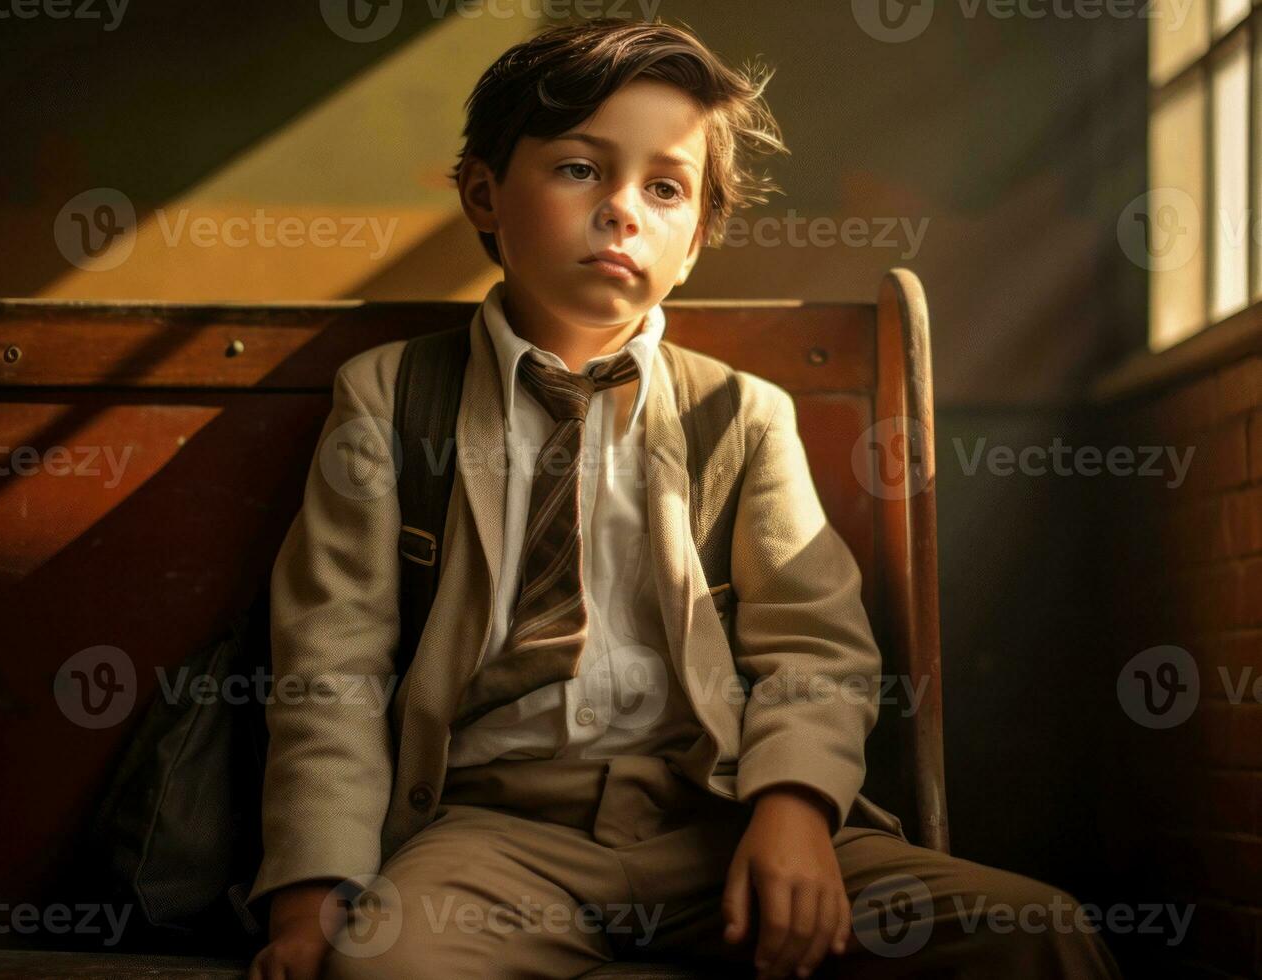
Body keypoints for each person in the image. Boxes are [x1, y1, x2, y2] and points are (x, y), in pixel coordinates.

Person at [247, 17, 1122, 980]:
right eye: (580, 169)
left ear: (697, 238)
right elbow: (331, 667)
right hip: (491, 834)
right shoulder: (390, 397)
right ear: (484, 193)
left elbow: (816, 647)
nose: (622, 210)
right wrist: (313, 892)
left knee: (1032, 931)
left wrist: (791, 812)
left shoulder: (740, 415)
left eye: (664, 188)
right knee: (384, 969)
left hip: (719, 818)